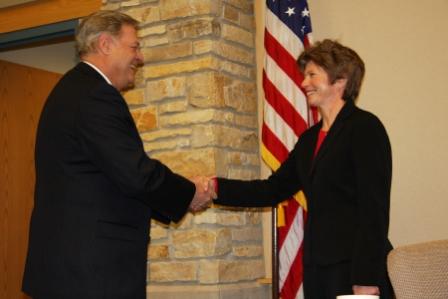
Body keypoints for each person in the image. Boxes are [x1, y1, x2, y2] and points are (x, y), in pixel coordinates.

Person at [22, 10, 212, 299]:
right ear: (105, 44)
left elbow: (113, 178)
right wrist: (189, 193)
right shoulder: (95, 95)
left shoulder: (73, 89)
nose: (141, 57)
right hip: (90, 275)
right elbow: (136, 174)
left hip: (73, 272)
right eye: (134, 46)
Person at [210, 39, 393, 298]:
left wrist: (365, 278)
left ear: (340, 79)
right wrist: (215, 188)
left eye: (312, 75)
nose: (304, 83)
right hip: (318, 269)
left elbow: (374, 210)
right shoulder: (310, 139)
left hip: (354, 270)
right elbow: (272, 190)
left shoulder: (365, 128)